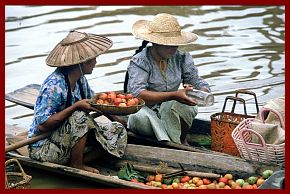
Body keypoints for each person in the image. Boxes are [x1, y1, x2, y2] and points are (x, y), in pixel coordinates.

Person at [28, 30, 127, 173]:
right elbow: (42, 126)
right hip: (44, 147)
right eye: (94, 59)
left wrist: (116, 117)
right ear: (83, 62)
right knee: (79, 115)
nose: (95, 62)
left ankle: (79, 159)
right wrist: (75, 107)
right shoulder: (54, 85)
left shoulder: (80, 79)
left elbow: (95, 103)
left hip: (66, 140)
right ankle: (76, 164)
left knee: (118, 130)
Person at [125, 13, 211, 145]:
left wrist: (202, 92)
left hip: (168, 109)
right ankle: (172, 141)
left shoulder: (182, 58)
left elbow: (196, 81)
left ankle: (180, 139)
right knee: (138, 118)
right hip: (145, 110)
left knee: (188, 107)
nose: (173, 48)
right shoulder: (140, 61)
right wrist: (173, 95)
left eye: (175, 44)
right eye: (168, 45)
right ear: (155, 43)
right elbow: (137, 94)